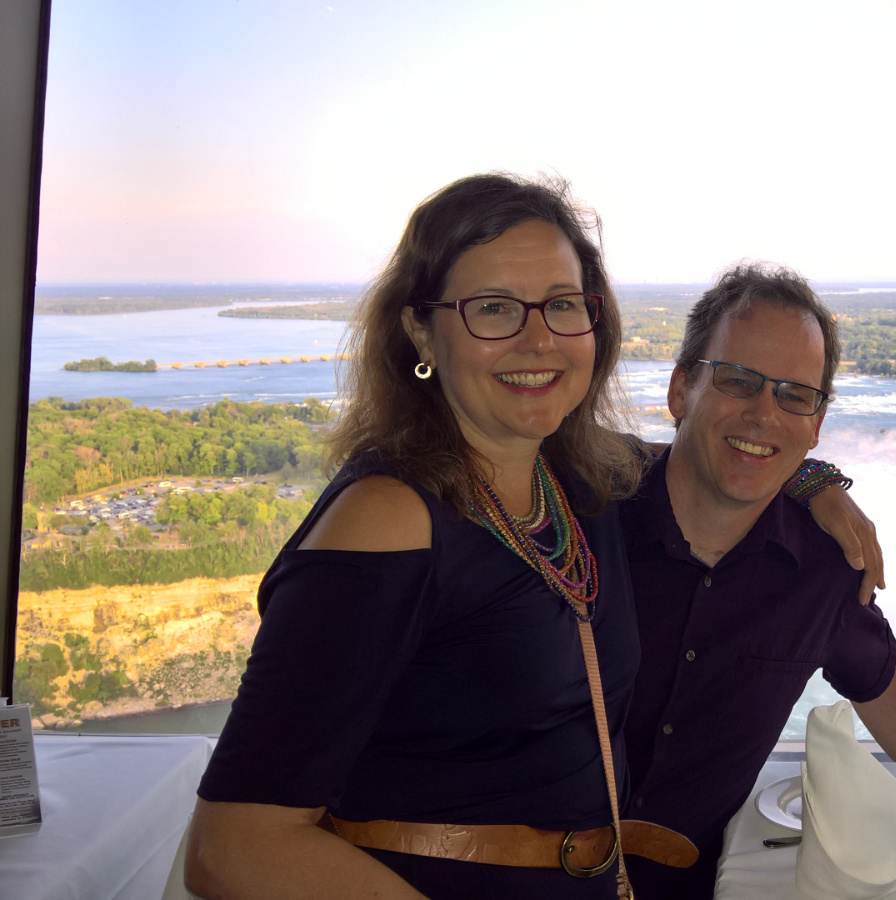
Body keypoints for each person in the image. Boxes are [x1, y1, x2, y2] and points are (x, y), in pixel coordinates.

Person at [185, 173, 685, 899]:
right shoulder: (388, 520)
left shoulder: (574, 477)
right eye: (492, 309)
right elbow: (233, 849)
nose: (538, 338)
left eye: (563, 304)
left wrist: (815, 485)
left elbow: (715, 469)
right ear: (420, 329)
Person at [622, 264, 896, 898]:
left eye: (796, 395)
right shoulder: (586, 513)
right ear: (681, 390)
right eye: (739, 381)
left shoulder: (823, 569)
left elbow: (883, 680)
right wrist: (811, 478)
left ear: (817, 423)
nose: (765, 413)